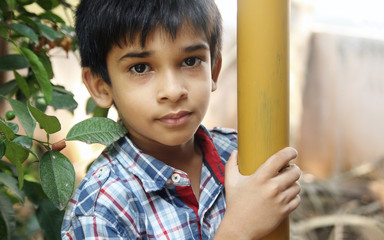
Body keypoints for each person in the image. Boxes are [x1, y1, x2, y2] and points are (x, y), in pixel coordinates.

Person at [61, 0, 302, 239]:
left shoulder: (242, 155)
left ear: (214, 71)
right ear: (100, 86)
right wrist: (239, 229)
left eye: (190, 61)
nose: (174, 91)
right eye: (141, 68)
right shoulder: (100, 211)